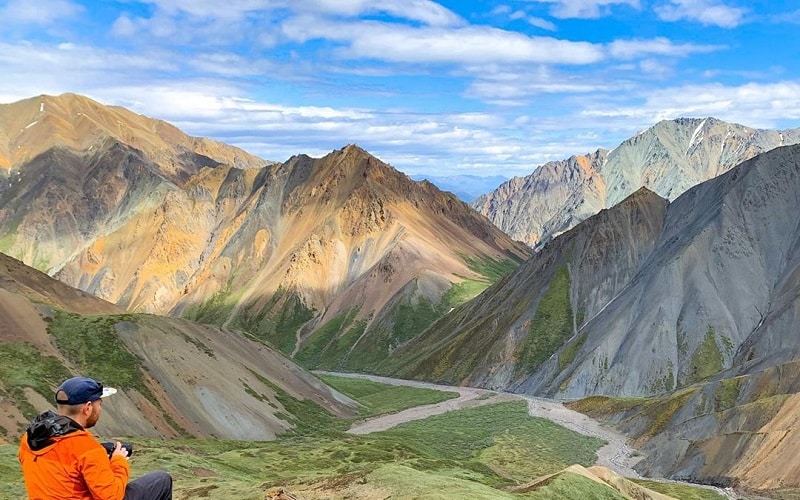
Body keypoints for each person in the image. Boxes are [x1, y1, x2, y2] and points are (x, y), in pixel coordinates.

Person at [18, 376, 173, 500]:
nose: (100, 408)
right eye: (100, 403)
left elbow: (62, 469)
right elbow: (112, 496)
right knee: (161, 480)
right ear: (87, 408)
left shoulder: (29, 438)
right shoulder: (87, 449)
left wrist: (100, 453)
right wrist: (118, 461)